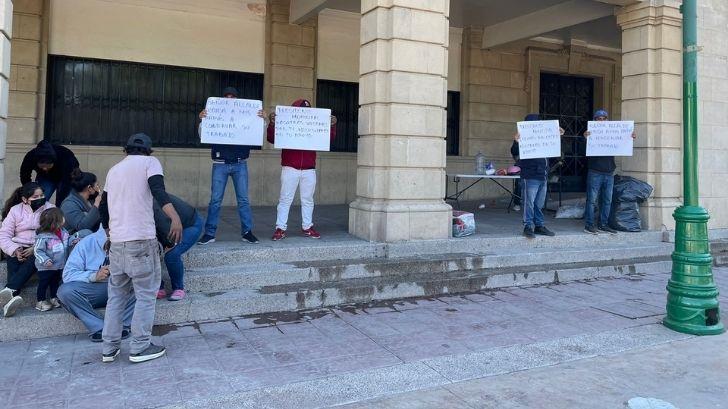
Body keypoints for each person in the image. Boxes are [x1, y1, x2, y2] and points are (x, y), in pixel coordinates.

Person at [98, 133, 182, 364]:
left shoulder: (114, 170)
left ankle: (109, 348)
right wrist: (174, 217)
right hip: (141, 242)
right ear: (148, 150)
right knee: (145, 297)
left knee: (116, 298)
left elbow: (103, 207)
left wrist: (109, 231)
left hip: (117, 244)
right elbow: (158, 190)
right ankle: (140, 346)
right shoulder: (150, 163)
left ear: (126, 150)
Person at [197, 86, 264, 245]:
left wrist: (263, 119)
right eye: (227, 97)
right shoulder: (214, 114)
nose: (230, 99)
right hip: (220, 164)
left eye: (232, 97)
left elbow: (257, 133)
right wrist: (202, 120)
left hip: (240, 163)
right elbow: (203, 135)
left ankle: (247, 232)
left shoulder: (245, 116)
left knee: (243, 200)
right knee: (215, 200)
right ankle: (210, 233)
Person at [266, 99, 337, 241]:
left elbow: (328, 139)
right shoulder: (287, 122)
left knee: (308, 200)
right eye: (300, 110)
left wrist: (333, 125)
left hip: (309, 169)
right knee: (285, 199)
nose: (304, 112)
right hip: (290, 167)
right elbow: (272, 138)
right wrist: (273, 123)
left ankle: (307, 227)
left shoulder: (313, 123)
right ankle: (280, 228)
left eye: (306, 110)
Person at [57, 228, 134, 342]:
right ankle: (99, 327)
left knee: (146, 283)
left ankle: (121, 325)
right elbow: (68, 274)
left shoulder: (132, 239)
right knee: (65, 292)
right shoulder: (87, 242)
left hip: (123, 287)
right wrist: (94, 276)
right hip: (96, 290)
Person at [0, 182, 54, 317]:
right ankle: (10, 297)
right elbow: (4, 235)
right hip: (19, 247)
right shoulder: (15, 210)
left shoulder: (50, 209)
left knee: (37, 255)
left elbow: (54, 236)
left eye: (42, 195)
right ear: (25, 199)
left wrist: (35, 248)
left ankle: (10, 289)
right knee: (12, 257)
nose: (40, 198)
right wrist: (15, 250)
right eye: (35, 197)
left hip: (41, 247)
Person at [583, 109, 637, 235]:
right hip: (595, 172)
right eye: (599, 119)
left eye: (604, 118)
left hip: (609, 172)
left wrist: (630, 137)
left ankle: (603, 224)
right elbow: (583, 152)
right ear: (595, 120)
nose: (602, 121)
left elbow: (622, 142)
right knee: (592, 200)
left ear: (607, 120)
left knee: (607, 200)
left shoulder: (612, 132)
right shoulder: (590, 134)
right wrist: (585, 139)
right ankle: (589, 225)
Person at [511, 114, 564, 239]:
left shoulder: (543, 136)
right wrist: (515, 141)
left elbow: (554, 148)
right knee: (528, 203)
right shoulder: (522, 137)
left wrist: (558, 135)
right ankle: (528, 226)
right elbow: (514, 152)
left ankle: (539, 226)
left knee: (539, 204)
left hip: (543, 175)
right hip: (530, 176)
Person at [154, 194, 203, 301]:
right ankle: (158, 287)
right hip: (166, 227)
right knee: (149, 250)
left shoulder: (154, 204)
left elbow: (169, 239)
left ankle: (178, 288)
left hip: (190, 224)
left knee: (171, 254)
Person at [33, 208, 78, 311]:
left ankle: (54, 298)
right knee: (43, 283)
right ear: (55, 221)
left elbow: (68, 239)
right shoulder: (43, 237)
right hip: (46, 267)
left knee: (55, 282)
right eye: (61, 217)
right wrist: (45, 260)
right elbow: (37, 251)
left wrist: (73, 240)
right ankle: (40, 301)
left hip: (59, 265)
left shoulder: (63, 231)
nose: (64, 219)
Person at [20, 140, 80, 206]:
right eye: (42, 166)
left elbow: (67, 182)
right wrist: (29, 189)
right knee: (39, 199)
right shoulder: (31, 156)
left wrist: (59, 205)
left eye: (48, 166)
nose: (45, 168)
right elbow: (24, 174)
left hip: (65, 177)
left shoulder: (65, 157)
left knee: (63, 202)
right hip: (45, 177)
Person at [60, 169, 102, 238]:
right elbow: (82, 227)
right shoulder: (69, 205)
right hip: (74, 240)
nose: (98, 187)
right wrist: (97, 204)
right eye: (97, 185)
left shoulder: (91, 199)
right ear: (89, 188)